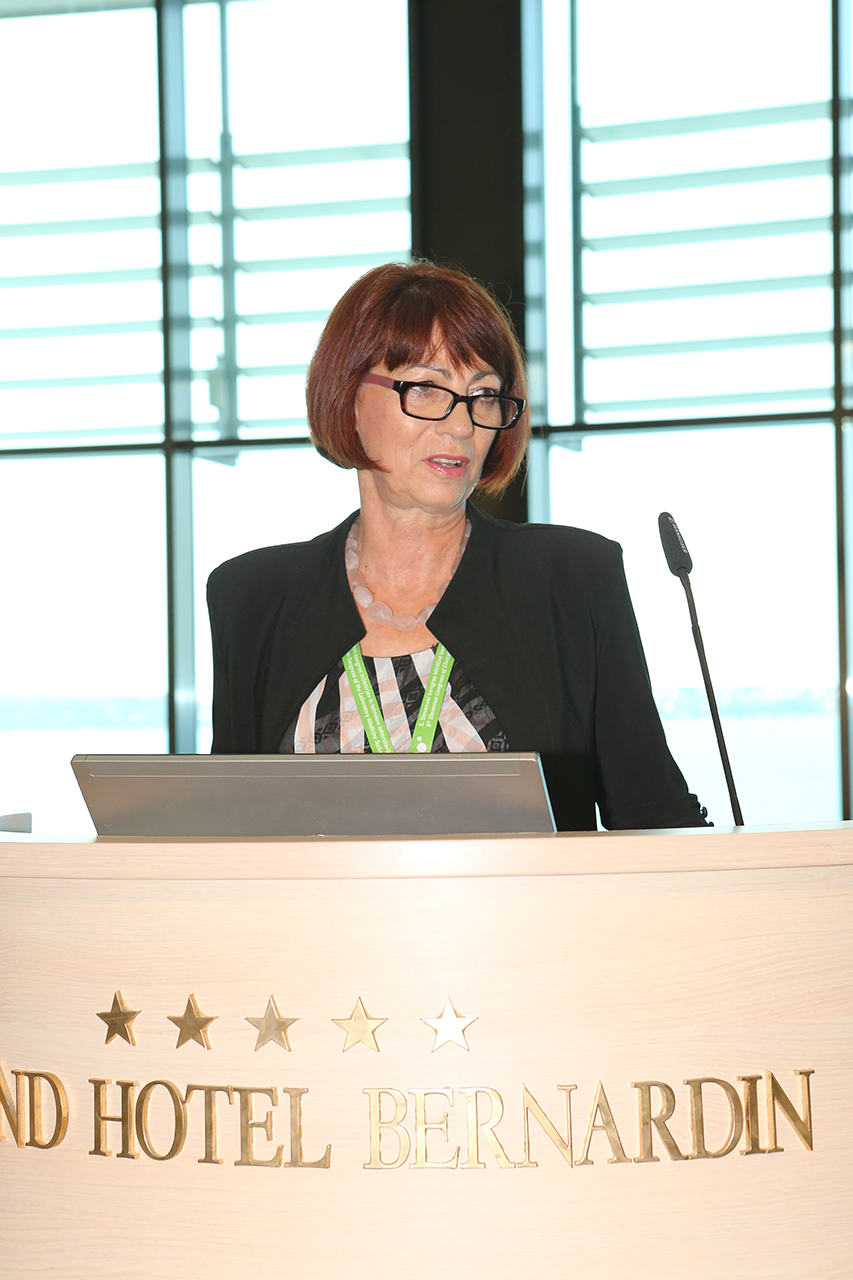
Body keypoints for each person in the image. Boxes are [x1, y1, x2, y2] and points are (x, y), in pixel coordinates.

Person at [207, 261, 707, 831]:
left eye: (484, 394)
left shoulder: (570, 579)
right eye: (425, 387)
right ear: (347, 396)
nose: (463, 425)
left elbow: (653, 816)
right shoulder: (253, 598)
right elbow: (228, 834)